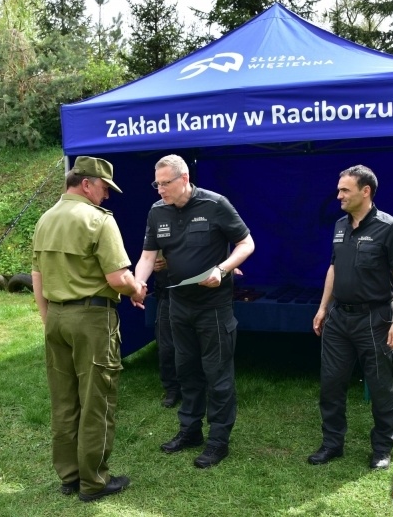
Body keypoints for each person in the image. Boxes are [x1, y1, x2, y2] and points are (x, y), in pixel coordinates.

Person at [31, 156, 147, 502]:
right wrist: (137, 289)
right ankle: (93, 481)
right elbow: (117, 278)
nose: (107, 196)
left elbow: (37, 275)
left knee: (64, 401)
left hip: (56, 318)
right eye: (104, 188)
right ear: (86, 183)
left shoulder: (46, 218)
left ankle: (69, 476)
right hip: (92, 321)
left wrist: (47, 316)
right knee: (97, 400)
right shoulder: (98, 220)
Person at [132, 154, 255, 469]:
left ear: (183, 179)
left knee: (217, 374)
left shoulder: (215, 205)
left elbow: (246, 243)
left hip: (212, 307)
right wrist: (138, 283)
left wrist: (223, 269)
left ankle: (218, 441)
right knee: (186, 370)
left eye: (165, 183)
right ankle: (190, 431)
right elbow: (147, 256)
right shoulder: (157, 212)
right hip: (177, 305)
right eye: (156, 184)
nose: (159, 190)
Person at [309, 165, 393, 470]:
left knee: (381, 386)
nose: (338, 195)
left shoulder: (390, 227)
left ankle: (382, 448)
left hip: (375, 319)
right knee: (331, 384)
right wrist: (322, 307)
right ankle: (332, 444)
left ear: (365, 191)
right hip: (339, 318)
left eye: (345, 190)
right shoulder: (340, 225)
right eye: (339, 189)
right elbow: (334, 268)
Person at [153, 253, 181, 408]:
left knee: (193, 345)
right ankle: (172, 389)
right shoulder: (157, 230)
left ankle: (192, 387)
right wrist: (152, 264)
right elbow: (147, 257)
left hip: (193, 294)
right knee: (166, 348)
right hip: (167, 295)